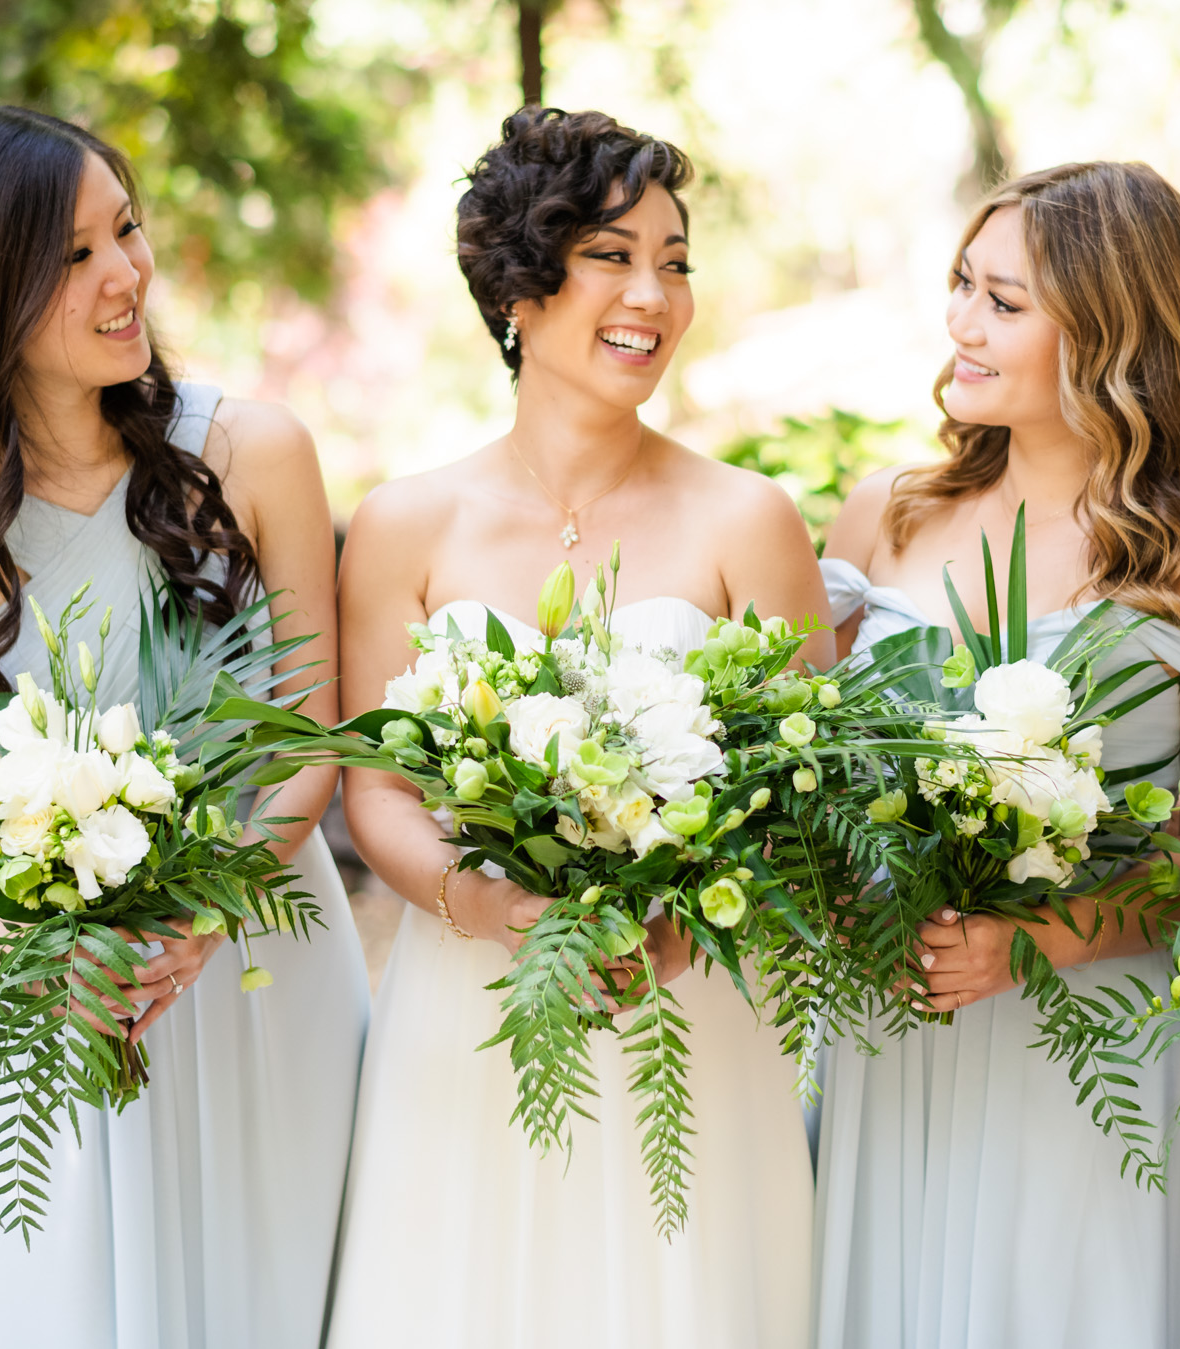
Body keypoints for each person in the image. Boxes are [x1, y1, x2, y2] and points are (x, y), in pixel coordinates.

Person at [0, 106, 368, 1348]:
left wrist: (197, 926)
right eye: (71, 256)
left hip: (262, 966)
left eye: (127, 230)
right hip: (37, 998)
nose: (126, 276)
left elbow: (309, 741)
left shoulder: (251, 452)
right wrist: (34, 948)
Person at [323, 107, 830, 1349]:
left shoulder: (748, 521)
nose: (652, 294)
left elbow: (804, 786)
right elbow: (375, 792)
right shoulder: (403, 526)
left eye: (675, 260)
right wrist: (487, 910)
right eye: (612, 254)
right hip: (469, 1006)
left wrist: (685, 914)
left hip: (688, 1017)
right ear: (517, 286)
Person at [813, 161, 1180, 1348]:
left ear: (1108, 330)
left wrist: (1029, 935)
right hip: (887, 1026)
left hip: (1088, 1043)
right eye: (959, 287)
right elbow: (805, 778)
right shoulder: (884, 514)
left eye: (1002, 301)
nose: (960, 324)